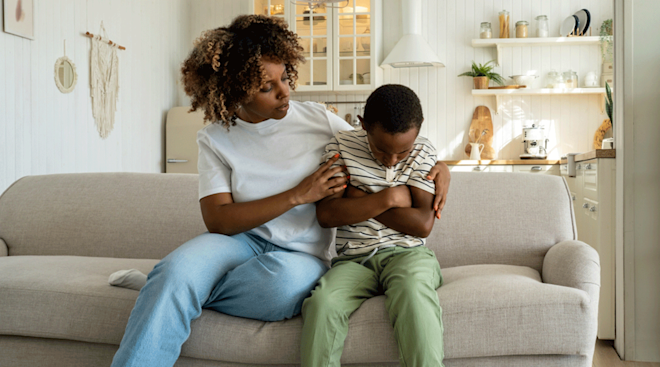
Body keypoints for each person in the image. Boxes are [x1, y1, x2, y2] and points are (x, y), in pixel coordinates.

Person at [110, 15, 450, 367]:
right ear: (235, 89)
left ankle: (174, 296)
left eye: (285, 77)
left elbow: (374, 147)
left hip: (299, 255)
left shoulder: (318, 120)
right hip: (237, 241)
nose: (284, 91)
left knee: (281, 288)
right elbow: (218, 220)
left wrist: (441, 168)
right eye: (266, 86)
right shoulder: (214, 138)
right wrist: (298, 195)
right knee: (176, 271)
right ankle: (171, 290)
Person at [301, 84, 445, 367]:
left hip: (409, 255)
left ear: (419, 129)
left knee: (414, 293)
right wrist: (390, 197)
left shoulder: (423, 151)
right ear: (363, 124)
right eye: (381, 149)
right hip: (353, 261)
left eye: (402, 152)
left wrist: (358, 197)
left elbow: (422, 224)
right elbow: (327, 215)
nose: (391, 160)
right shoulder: (340, 147)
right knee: (323, 304)